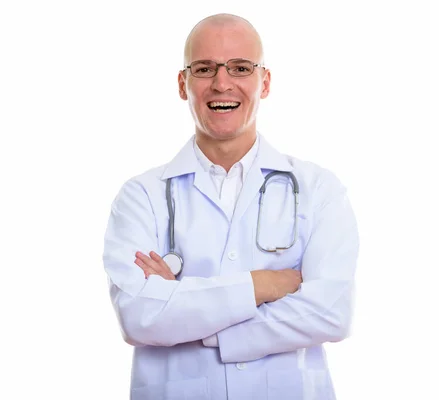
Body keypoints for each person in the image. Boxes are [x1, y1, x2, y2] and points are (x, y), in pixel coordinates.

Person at [103, 13, 359, 400]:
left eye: (240, 68)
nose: (222, 83)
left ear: (265, 82)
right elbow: (140, 318)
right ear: (183, 83)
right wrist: (263, 285)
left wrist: (187, 308)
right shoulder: (141, 197)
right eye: (204, 68)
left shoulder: (318, 189)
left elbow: (331, 313)